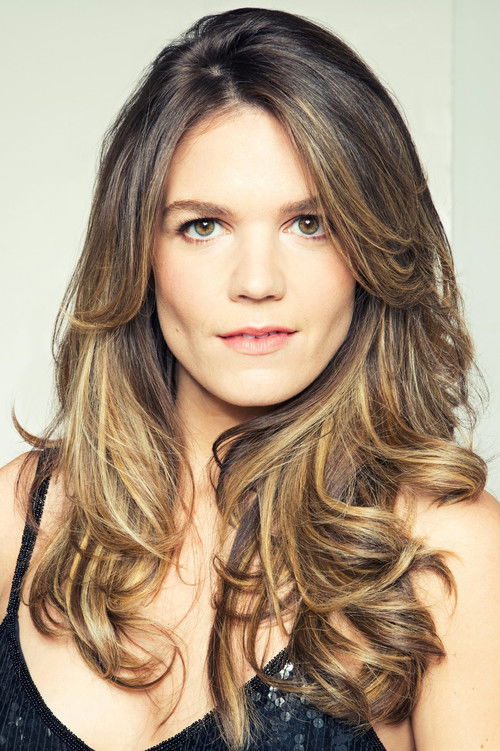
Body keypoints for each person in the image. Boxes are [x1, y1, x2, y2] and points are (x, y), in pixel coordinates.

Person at [0, 7, 499, 751]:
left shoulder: (448, 554)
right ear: (139, 254)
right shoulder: (19, 515)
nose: (258, 281)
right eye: (203, 225)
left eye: (311, 223)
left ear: (370, 247)